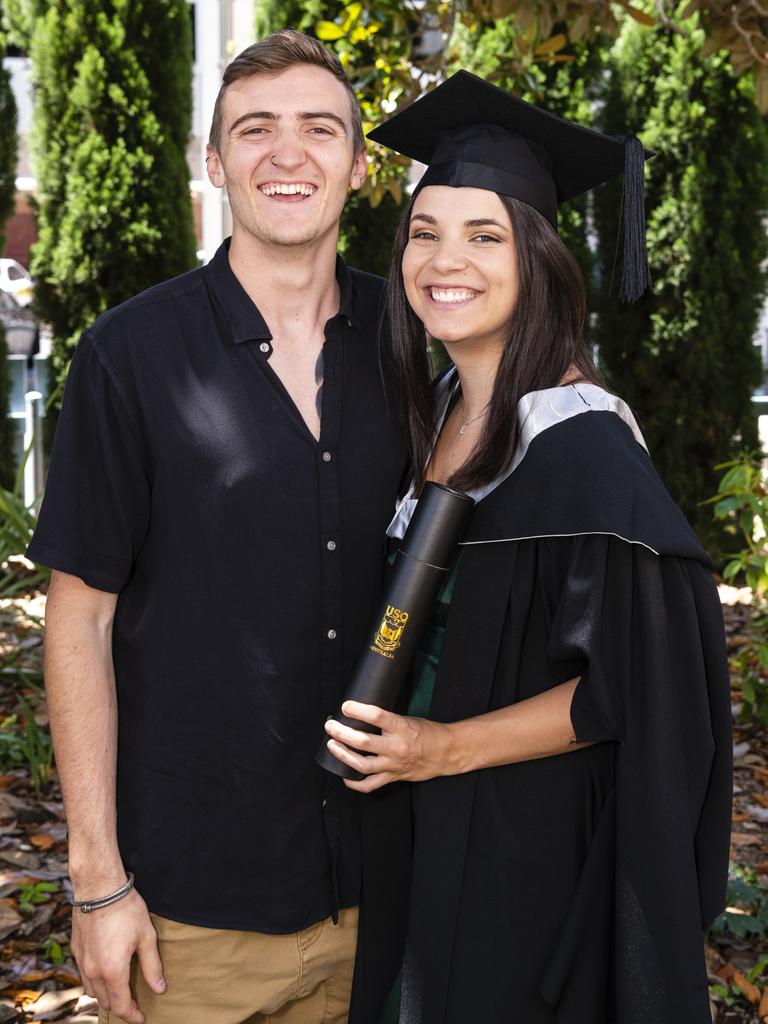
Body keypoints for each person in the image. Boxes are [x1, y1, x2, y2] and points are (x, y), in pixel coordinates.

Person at [322, 72, 732, 1024]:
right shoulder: (442, 414)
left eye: (484, 235)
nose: (442, 260)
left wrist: (441, 749)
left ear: (538, 258)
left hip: (522, 851)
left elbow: (635, 685)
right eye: (424, 232)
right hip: (422, 833)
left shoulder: (582, 442)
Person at [27, 30, 404, 1024]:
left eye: (320, 129)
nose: (289, 155)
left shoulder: (416, 350)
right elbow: (80, 625)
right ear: (215, 162)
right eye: (255, 130)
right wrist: (97, 877)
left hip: (391, 896)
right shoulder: (130, 357)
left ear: (358, 167)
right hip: (192, 915)